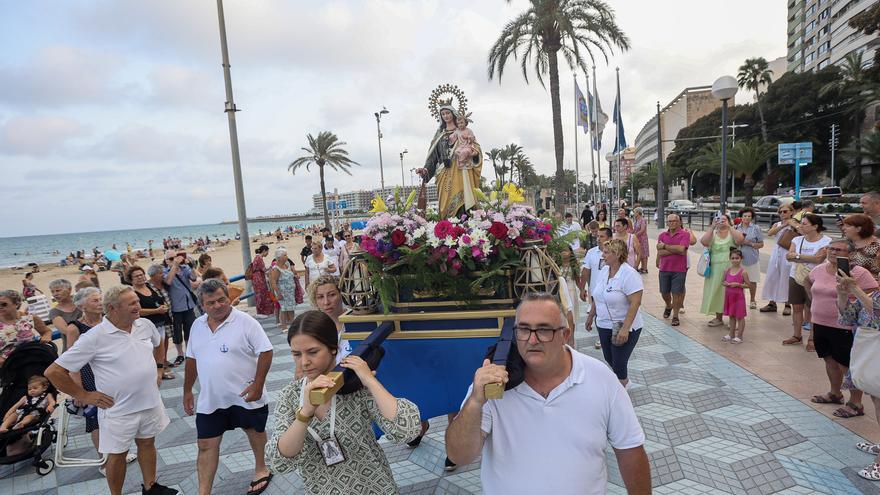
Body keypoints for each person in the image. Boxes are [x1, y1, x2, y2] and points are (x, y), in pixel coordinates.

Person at [445, 293, 649, 494]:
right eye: (524, 330)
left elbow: (630, 450)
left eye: (543, 330)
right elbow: (459, 455)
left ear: (565, 335)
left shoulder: (601, 379)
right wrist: (474, 403)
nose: (532, 340)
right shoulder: (494, 383)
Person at [266, 311, 421, 495]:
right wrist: (304, 413)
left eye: (313, 352)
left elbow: (408, 429)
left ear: (333, 347)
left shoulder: (355, 385)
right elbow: (278, 461)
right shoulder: (291, 394)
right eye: (296, 354)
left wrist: (370, 380)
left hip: (374, 487)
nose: (304, 362)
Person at [46, 286, 176, 495]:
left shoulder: (145, 325)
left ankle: (151, 488)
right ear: (114, 308)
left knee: (147, 443)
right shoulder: (94, 337)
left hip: (149, 401)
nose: (138, 306)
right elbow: (54, 372)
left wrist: (159, 369)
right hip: (118, 409)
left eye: (137, 301)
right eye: (132, 303)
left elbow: (158, 344)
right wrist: (84, 395)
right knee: (117, 455)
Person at [183, 280, 274, 495]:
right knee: (205, 443)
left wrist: (258, 385)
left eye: (221, 300)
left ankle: (261, 467)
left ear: (228, 297)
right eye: (210, 302)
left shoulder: (246, 322)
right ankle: (203, 492)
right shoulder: (197, 325)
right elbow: (191, 359)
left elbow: (266, 351)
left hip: (245, 394)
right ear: (202, 306)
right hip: (211, 399)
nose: (217, 306)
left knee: (255, 431)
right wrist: (187, 390)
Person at [67, 287, 139, 473]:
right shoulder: (75, 328)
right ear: (81, 305)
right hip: (88, 376)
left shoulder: (109, 321)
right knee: (96, 420)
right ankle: (104, 461)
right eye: (94, 300)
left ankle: (118, 452)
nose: (100, 303)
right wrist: (78, 391)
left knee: (116, 414)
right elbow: (71, 362)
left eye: (100, 299)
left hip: (111, 373)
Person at [805, 239, 878, 418]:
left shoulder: (858, 273)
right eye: (831, 248)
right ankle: (835, 393)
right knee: (829, 359)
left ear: (850, 254)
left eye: (838, 249)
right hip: (822, 321)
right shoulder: (820, 269)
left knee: (847, 365)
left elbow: (874, 302)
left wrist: (854, 290)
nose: (833, 252)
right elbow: (808, 281)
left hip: (845, 327)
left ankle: (855, 402)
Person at [836, 272, 880, 480]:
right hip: (870, 355)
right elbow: (848, 317)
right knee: (876, 399)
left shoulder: (872, 296)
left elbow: (878, 312)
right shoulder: (876, 294)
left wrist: (856, 290)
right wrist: (843, 295)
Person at [585, 239, 645, 387]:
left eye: (606, 253)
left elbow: (635, 302)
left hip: (623, 325)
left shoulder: (629, 274)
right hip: (603, 323)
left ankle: (621, 389)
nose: (603, 256)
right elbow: (597, 295)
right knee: (609, 357)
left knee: (619, 361)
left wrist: (625, 328)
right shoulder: (605, 270)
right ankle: (624, 382)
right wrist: (591, 315)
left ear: (617, 254)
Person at [417, 102, 483, 218]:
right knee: (445, 205)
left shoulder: (465, 132)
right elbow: (433, 158)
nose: (446, 116)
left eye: (448, 113)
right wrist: (426, 170)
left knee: (464, 200)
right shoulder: (440, 136)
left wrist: (473, 153)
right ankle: (447, 229)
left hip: (461, 171)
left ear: (453, 114)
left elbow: (475, 147)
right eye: (443, 114)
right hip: (444, 173)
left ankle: (465, 224)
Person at [783, 214, 831, 347]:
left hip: (816, 278)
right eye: (801, 223)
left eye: (804, 224)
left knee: (813, 308)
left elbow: (819, 259)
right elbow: (788, 257)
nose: (801, 226)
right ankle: (796, 335)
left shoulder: (826, 241)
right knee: (797, 307)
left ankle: (812, 338)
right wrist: (807, 257)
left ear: (815, 226)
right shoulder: (797, 240)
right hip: (796, 276)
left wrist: (797, 256)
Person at [700, 214, 745, 327]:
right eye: (719, 219)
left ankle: (733, 318)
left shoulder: (732, 232)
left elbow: (740, 240)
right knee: (716, 292)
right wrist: (712, 227)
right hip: (715, 268)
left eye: (725, 220)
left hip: (731, 267)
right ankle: (718, 317)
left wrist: (730, 226)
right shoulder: (713, 234)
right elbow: (704, 242)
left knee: (732, 292)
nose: (722, 221)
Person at [130, 267, 174, 380]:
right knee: (148, 352)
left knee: (161, 348)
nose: (140, 277)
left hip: (160, 323)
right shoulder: (132, 293)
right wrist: (156, 311)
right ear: (131, 279)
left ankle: (160, 371)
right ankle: (150, 375)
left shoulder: (150, 286)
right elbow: (137, 310)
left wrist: (164, 305)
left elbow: (160, 299)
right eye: (136, 276)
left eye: (141, 274)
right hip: (145, 327)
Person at [164, 250, 200, 365]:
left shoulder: (184, 268)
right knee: (177, 332)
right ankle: (180, 354)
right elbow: (168, 281)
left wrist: (191, 266)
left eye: (176, 257)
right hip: (175, 307)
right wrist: (174, 265)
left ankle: (189, 352)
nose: (174, 259)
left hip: (189, 304)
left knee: (190, 329)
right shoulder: (165, 271)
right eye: (171, 259)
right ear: (166, 261)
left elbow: (193, 278)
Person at [0, 290, 52, 366]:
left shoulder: (30, 318)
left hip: (31, 357)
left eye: (4, 304)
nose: (0, 307)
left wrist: (46, 337)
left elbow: (46, 331)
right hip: (6, 363)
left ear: (16, 304)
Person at [761, 204, 797, 315]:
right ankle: (772, 303)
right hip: (776, 253)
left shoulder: (795, 224)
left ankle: (787, 304)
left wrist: (793, 225)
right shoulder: (777, 224)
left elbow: (802, 233)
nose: (782, 214)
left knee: (786, 278)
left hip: (788, 252)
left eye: (785, 211)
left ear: (791, 212)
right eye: (780, 212)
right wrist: (783, 226)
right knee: (772, 277)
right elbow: (770, 233)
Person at [656, 214, 691, 327]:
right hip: (664, 268)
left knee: (677, 293)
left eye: (674, 221)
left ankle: (675, 316)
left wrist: (665, 246)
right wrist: (675, 249)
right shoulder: (662, 235)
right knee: (664, 292)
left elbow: (682, 250)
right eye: (669, 221)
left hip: (679, 269)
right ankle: (668, 305)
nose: (671, 223)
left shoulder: (685, 234)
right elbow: (660, 252)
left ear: (679, 222)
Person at [307, 275, 351, 362]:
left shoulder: (354, 321)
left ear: (342, 295)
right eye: (320, 297)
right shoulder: (314, 328)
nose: (326, 302)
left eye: (332, 295)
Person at [735, 207, 764, 309]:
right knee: (738, 280)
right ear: (741, 217)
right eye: (745, 216)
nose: (747, 218)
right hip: (738, 259)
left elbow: (761, 244)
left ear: (752, 217)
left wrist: (750, 243)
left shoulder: (756, 228)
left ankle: (752, 300)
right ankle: (739, 300)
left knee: (752, 280)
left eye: (749, 216)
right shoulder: (736, 228)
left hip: (752, 257)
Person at [269, 248, 303, 329]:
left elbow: (290, 274)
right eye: (284, 255)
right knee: (284, 308)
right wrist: (278, 293)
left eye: (286, 255)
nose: (287, 257)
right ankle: (283, 326)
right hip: (283, 292)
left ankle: (293, 323)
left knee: (291, 307)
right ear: (279, 258)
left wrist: (295, 276)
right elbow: (273, 282)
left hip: (290, 291)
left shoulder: (287, 264)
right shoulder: (276, 269)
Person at [722, 248, 750, 343]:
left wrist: (738, 285)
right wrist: (725, 283)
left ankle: (740, 336)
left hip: (738, 298)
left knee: (740, 317)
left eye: (737, 258)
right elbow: (723, 281)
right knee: (731, 316)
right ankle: (731, 334)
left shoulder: (743, 272)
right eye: (733, 258)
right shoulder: (727, 271)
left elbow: (748, 285)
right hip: (729, 297)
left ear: (741, 259)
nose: (735, 260)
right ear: (730, 259)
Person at [842, 214, 880, 278]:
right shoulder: (845, 244)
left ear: (858, 229)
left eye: (847, 226)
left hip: (871, 285)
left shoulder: (877, 246)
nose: (843, 228)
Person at [49, 279, 82, 347]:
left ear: (69, 289)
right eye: (52, 292)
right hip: (73, 348)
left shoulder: (81, 304)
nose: (55, 294)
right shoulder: (54, 312)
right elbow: (67, 331)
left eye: (58, 290)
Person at [250, 245, 275, 317]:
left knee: (260, 294)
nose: (267, 253)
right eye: (267, 251)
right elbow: (263, 269)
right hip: (259, 278)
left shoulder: (257, 257)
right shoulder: (259, 258)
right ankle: (262, 312)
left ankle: (261, 311)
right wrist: (270, 268)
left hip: (256, 278)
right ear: (264, 251)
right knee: (262, 294)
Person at [632, 207, 649, 274]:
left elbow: (642, 230)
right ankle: (642, 267)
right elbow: (634, 229)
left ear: (638, 213)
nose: (634, 213)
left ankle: (645, 268)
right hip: (637, 239)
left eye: (635, 212)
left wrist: (635, 235)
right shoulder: (636, 220)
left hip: (643, 239)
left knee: (644, 253)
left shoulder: (643, 220)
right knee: (640, 253)